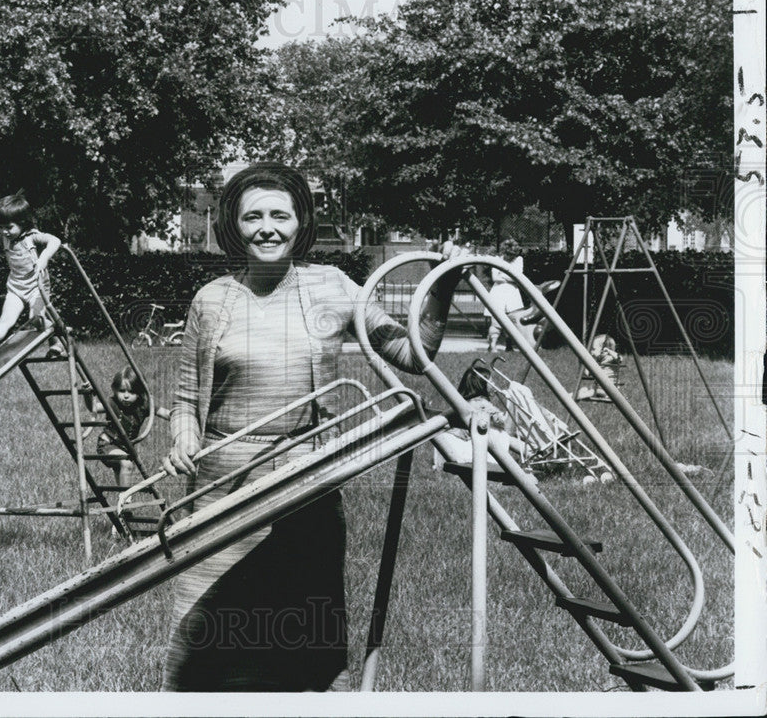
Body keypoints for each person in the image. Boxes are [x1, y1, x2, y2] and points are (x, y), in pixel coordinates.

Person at [159, 162, 465, 691]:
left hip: (307, 480)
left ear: (302, 222)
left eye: (281, 214)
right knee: (206, 643)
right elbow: (187, 402)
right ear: (234, 224)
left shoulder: (331, 287)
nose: (267, 228)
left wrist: (445, 284)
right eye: (253, 216)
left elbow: (414, 353)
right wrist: (183, 439)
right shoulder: (211, 300)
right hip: (220, 487)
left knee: (305, 636)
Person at [0, 191, 64, 361]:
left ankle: (58, 340)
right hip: (15, 288)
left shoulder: (32, 236)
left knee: (36, 320)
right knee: (5, 321)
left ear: (22, 223)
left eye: (9, 227)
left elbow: (55, 241)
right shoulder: (3, 238)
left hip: (37, 287)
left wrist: (44, 258)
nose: (4, 232)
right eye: (0, 227)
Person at [95, 365, 148, 490]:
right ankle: (126, 500)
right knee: (126, 463)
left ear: (140, 393)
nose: (126, 396)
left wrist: (183, 416)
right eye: (122, 391)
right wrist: (88, 395)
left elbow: (166, 413)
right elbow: (93, 408)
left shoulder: (142, 406)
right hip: (107, 444)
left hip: (125, 448)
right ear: (115, 390)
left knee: (123, 469)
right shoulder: (112, 403)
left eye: (131, 392)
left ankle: (122, 502)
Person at [484, 238, 524, 352]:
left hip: (512, 293)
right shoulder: (497, 259)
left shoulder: (519, 260)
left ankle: (509, 345)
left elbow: (518, 277)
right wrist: (511, 276)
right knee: (496, 320)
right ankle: (493, 345)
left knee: (512, 320)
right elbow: (495, 277)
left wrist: (504, 276)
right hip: (499, 292)